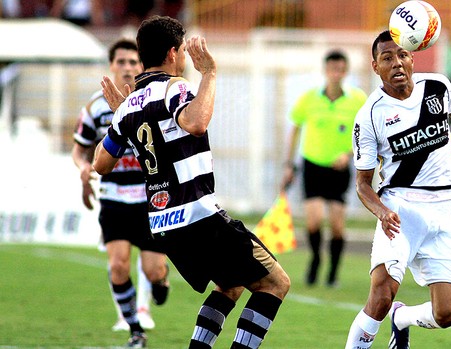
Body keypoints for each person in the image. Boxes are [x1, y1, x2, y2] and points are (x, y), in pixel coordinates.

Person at [93, 15, 290, 349]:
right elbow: (196, 122)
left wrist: (119, 120)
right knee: (275, 283)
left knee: (231, 285)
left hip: (163, 225)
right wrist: (210, 73)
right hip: (198, 215)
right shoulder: (175, 86)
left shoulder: (128, 108)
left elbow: (101, 163)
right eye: (182, 50)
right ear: (173, 53)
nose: (185, 58)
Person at [344, 30, 451, 349]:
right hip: (401, 212)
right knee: (381, 296)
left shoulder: (437, 87)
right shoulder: (369, 116)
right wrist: (382, 212)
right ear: (375, 66)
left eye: (402, 55)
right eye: (387, 58)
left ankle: (403, 320)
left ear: (412, 57)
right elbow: (362, 185)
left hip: (444, 212)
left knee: (449, 311)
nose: (397, 63)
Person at [72, 39, 170, 347]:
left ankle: (161, 281)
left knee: (153, 269)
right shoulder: (94, 107)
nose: (127, 68)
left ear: (141, 66)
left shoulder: (152, 100)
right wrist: (83, 169)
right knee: (118, 265)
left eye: (133, 62)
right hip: (114, 196)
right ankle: (135, 330)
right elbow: (79, 149)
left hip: (150, 198)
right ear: (111, 65)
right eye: (121, 62)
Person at [281, 49, 367, 287]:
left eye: (340, 69)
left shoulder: (358, 100)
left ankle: (333, 273)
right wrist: (289, 164)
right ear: (325, 71)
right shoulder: (309, 98)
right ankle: (316, 258)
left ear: (346, 71)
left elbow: (366, 134)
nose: (336, 74)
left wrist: (349, 154)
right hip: (312, 166)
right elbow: (295, 127)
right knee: (314, 221)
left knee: (338, 227)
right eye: (332, 69)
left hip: (339, 170)